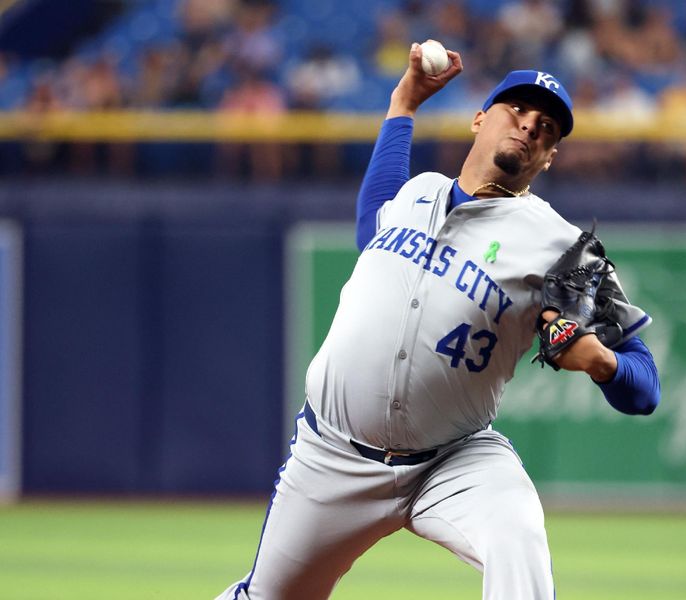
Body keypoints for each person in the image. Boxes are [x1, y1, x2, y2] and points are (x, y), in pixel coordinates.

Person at [217, 42, 660, 600]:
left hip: (454, 460)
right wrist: (403, 103)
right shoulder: (415, 193)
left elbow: (645, 388)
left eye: (546, 127)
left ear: (550, 157)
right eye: (515, 112)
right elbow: (369, 223)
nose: (528, 127)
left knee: (517, 538)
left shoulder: (564, 246)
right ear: (480, 118)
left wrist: (601, 362)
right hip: (331, 455)